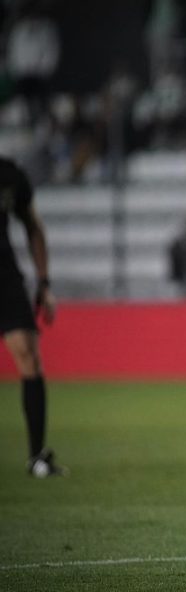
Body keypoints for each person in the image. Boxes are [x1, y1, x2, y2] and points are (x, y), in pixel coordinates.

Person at [0, 157, 66, 478]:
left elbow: (33, 225)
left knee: (28, 354)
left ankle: (37, 456)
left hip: (3, 275)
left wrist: (43, 283)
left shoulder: (9, 176)